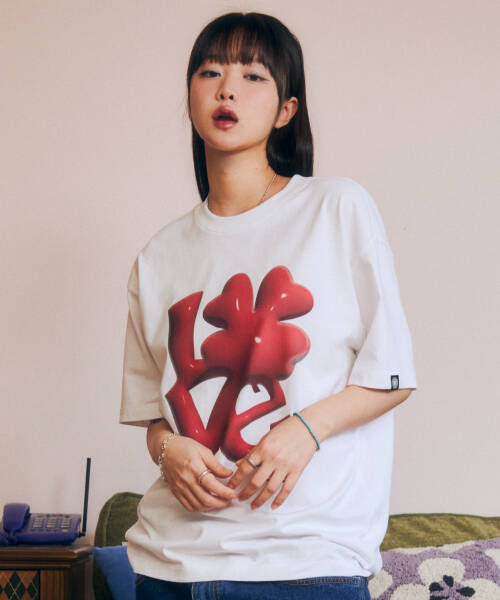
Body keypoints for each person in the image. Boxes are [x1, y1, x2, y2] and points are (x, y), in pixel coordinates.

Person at [119, 11, 417, 600]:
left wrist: (304, 430)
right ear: (191, 95)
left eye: (253, 76)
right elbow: (156, 414)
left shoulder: (336, 209)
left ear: (287, 109)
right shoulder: (157, 257)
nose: (227, 89)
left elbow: (393, 374)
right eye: (210, 72)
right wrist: (168, 450)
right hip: (170, 568)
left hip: (305, 562)